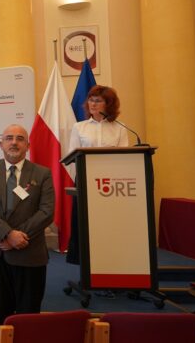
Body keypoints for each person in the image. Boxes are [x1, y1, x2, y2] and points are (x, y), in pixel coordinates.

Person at [0, 124, 54, 329]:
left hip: (29, 252)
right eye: (9, 138)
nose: (14, 142)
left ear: (28, 145)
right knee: (1, 312)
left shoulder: (42, 173)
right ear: (1, 144)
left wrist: (19, 236)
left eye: (20, 138)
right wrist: (8, 234)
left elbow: (47, 211)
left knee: (29, 313)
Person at [67, 85, 129, 264]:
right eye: (91, 100)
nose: (92, 104)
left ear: (108, 104)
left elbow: (125, 156)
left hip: (113, 182)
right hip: (86, 179)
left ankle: (111, 257)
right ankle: (84, 261)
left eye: (98, 100)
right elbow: (72, 155)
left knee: (108, 222)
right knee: (85, 222)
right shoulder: (79, 127)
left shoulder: (120, 127)